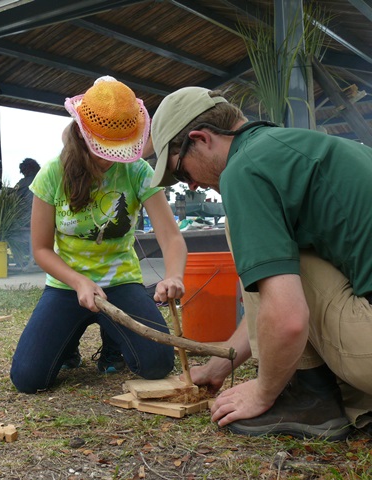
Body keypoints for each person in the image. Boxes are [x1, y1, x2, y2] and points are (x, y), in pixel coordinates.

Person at [150, 86, 372, 441]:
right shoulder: (297, 147)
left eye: (180, 172)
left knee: (254, 240)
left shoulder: (244, 169)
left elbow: (286, 315)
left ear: (201, 139)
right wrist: (223, 363)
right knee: (277, 254)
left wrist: (263, 391)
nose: (189, 184)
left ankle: (311, 400)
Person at [10, 76, 188, 393]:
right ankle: (67, 340)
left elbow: (171, 237)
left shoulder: (137, 171)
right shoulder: (52, 174)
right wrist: (78, 281)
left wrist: (173, 275)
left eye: (121, 148)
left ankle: (113, 343)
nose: (113, 157)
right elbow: (41, 249)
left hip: (121, 284)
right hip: (68, 285)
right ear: (82, 134)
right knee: (28, 379)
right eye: (105, 148)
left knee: (158, 364)